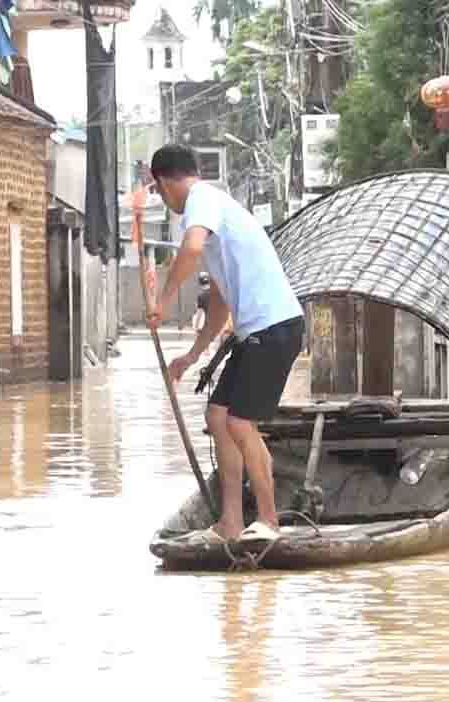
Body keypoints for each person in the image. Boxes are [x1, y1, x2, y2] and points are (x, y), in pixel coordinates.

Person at [143, 144, 305, 545]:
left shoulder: (202, 200)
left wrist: (163, 300)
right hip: (254, 331)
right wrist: (192, 355)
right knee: (218, 416)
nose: (164, 201)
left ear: (163, 183)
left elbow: (191, 249)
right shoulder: (216, 218)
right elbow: (219, 302)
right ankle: (230, 522)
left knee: (239, 422)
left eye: (159, 192)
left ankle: (268, 520)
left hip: (275, 325)